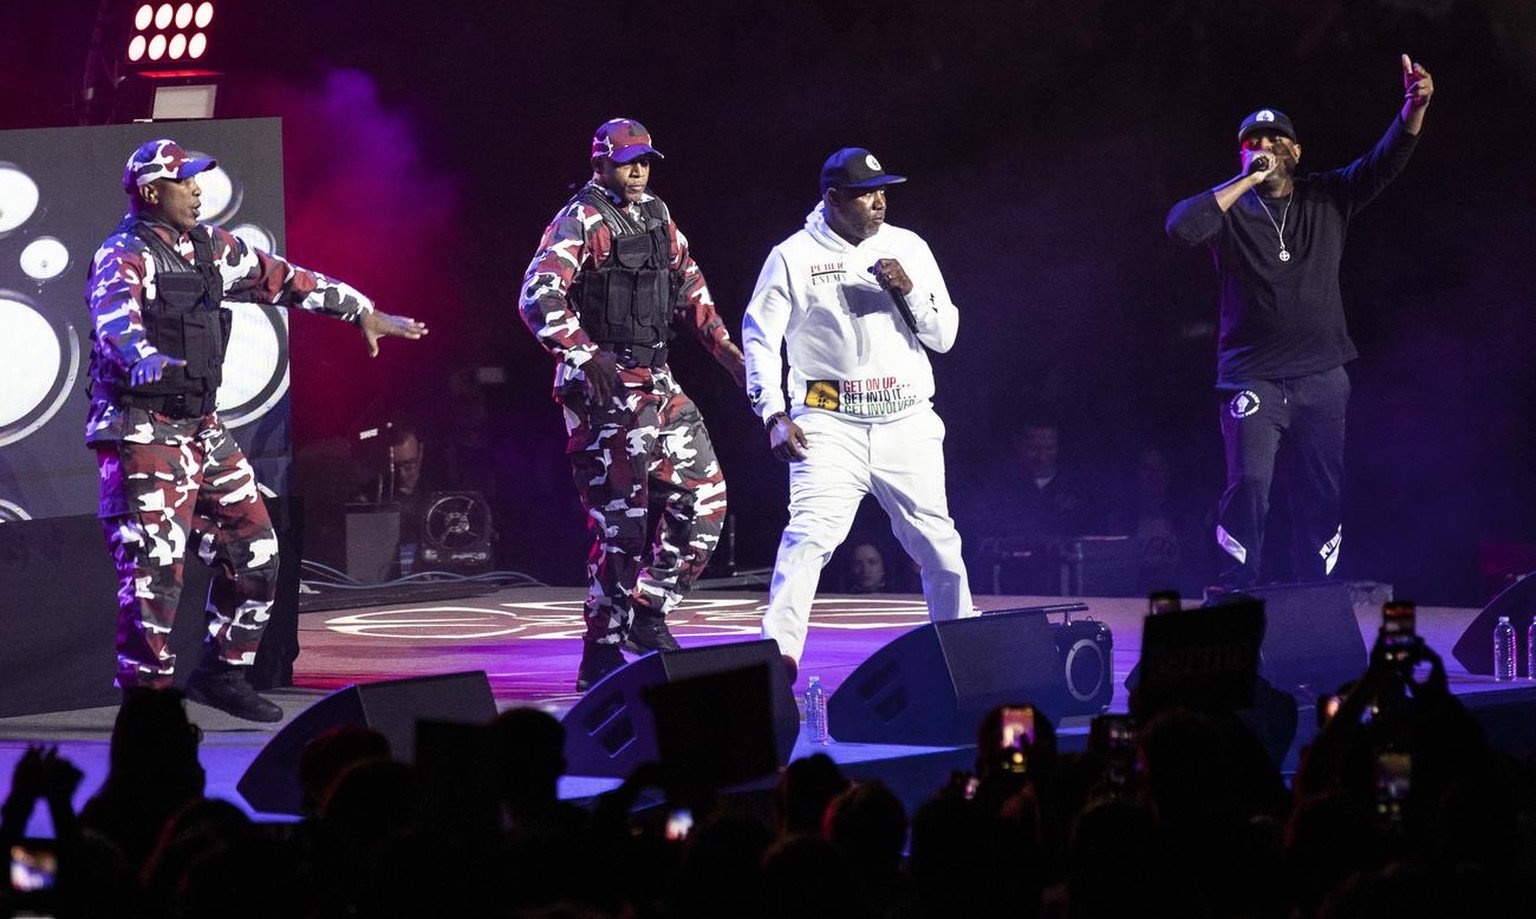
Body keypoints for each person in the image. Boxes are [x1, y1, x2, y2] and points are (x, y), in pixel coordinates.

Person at [87, 138, 428, 722]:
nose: (196, 191)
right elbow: (113, 319)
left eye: (198, 181)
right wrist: (138, 355)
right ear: (150, 192)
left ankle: (222, 673)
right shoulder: (123, 255)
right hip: (144, 431)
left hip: (203, 428)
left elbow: (286, 279)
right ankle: (145, 710)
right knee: (156, 574)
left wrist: (360, 310)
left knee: (258, 552)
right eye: (183, 182)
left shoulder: (209, 249)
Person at [1165, 55, 1434, 588]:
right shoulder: (1230, 211)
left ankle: (1314, 604)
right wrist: (1242, 183)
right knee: (1250, 486)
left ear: (1296, 151)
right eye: (1252, 143)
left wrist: (1414, 106)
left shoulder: (1328, 196)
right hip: (1252, 376)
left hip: (1321, 377)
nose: (1263, 148)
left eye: (1273, 141)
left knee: (1320, 493)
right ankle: (1237, 594)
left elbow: (1386, 160)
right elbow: (1180, 228)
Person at [519, 118, 746, 690]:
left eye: (644, 160)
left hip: (659, 382)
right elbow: (537, 293)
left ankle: (648, 612)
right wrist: (581, 352)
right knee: (623, 529)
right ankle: (601, 647)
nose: (639, 170)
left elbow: (690, 286)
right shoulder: (582, 217)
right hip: (606, 392)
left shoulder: (658, 215)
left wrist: (727, 353)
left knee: (706, 500)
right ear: (601, 165)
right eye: (627, 161)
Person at [743, 147, 976, 680]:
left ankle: (961, 649)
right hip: (829, 423)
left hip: (905, 418)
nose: (879, 202)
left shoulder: (909, 247)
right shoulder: (793, 256)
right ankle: (777, 660)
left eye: (883, 191)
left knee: (937, 541)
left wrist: (908, 290)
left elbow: (946, 337)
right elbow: (760, 338)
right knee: (809, 536)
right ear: (832, 199)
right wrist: (773, 413)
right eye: (867, 194)